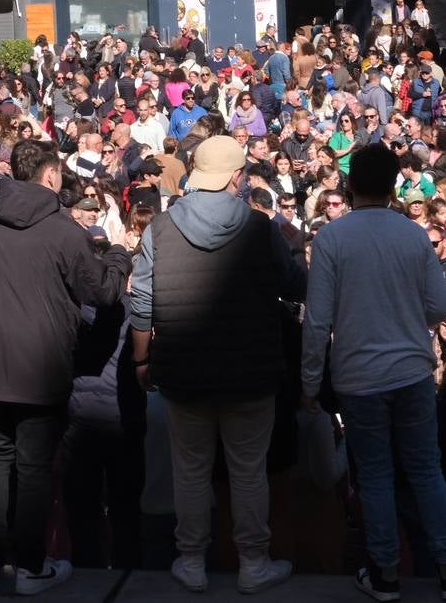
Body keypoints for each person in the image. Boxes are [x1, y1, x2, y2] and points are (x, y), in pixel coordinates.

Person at [0, 139, 134, 595]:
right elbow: (102, 292)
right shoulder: (63, 230)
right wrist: (119, 255)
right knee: (34, 468)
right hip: (42, 373)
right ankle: (29, 567)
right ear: (49, 176)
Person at [129, 135, 306, 594]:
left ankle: (191, 560)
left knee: (189, 468)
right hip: (251, 369)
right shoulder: (260, 227)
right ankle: (253, 561)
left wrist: (141, 359)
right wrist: (296, 248)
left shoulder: (160, 229)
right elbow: (295, 286)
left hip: (184, 368)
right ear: (234, 176)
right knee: (248, 470)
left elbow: (142, 301)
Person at [301, 143, 446, 600]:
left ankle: (385, 573)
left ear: (351, 185)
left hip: (358, 377)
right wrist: (403, 318)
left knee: (375, 476)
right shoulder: (412, 234)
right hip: (412, 371)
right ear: (393, 184)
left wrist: (308, 382)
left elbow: (317, 321)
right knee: (425, 470)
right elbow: (440, 306)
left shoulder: (332, 240)